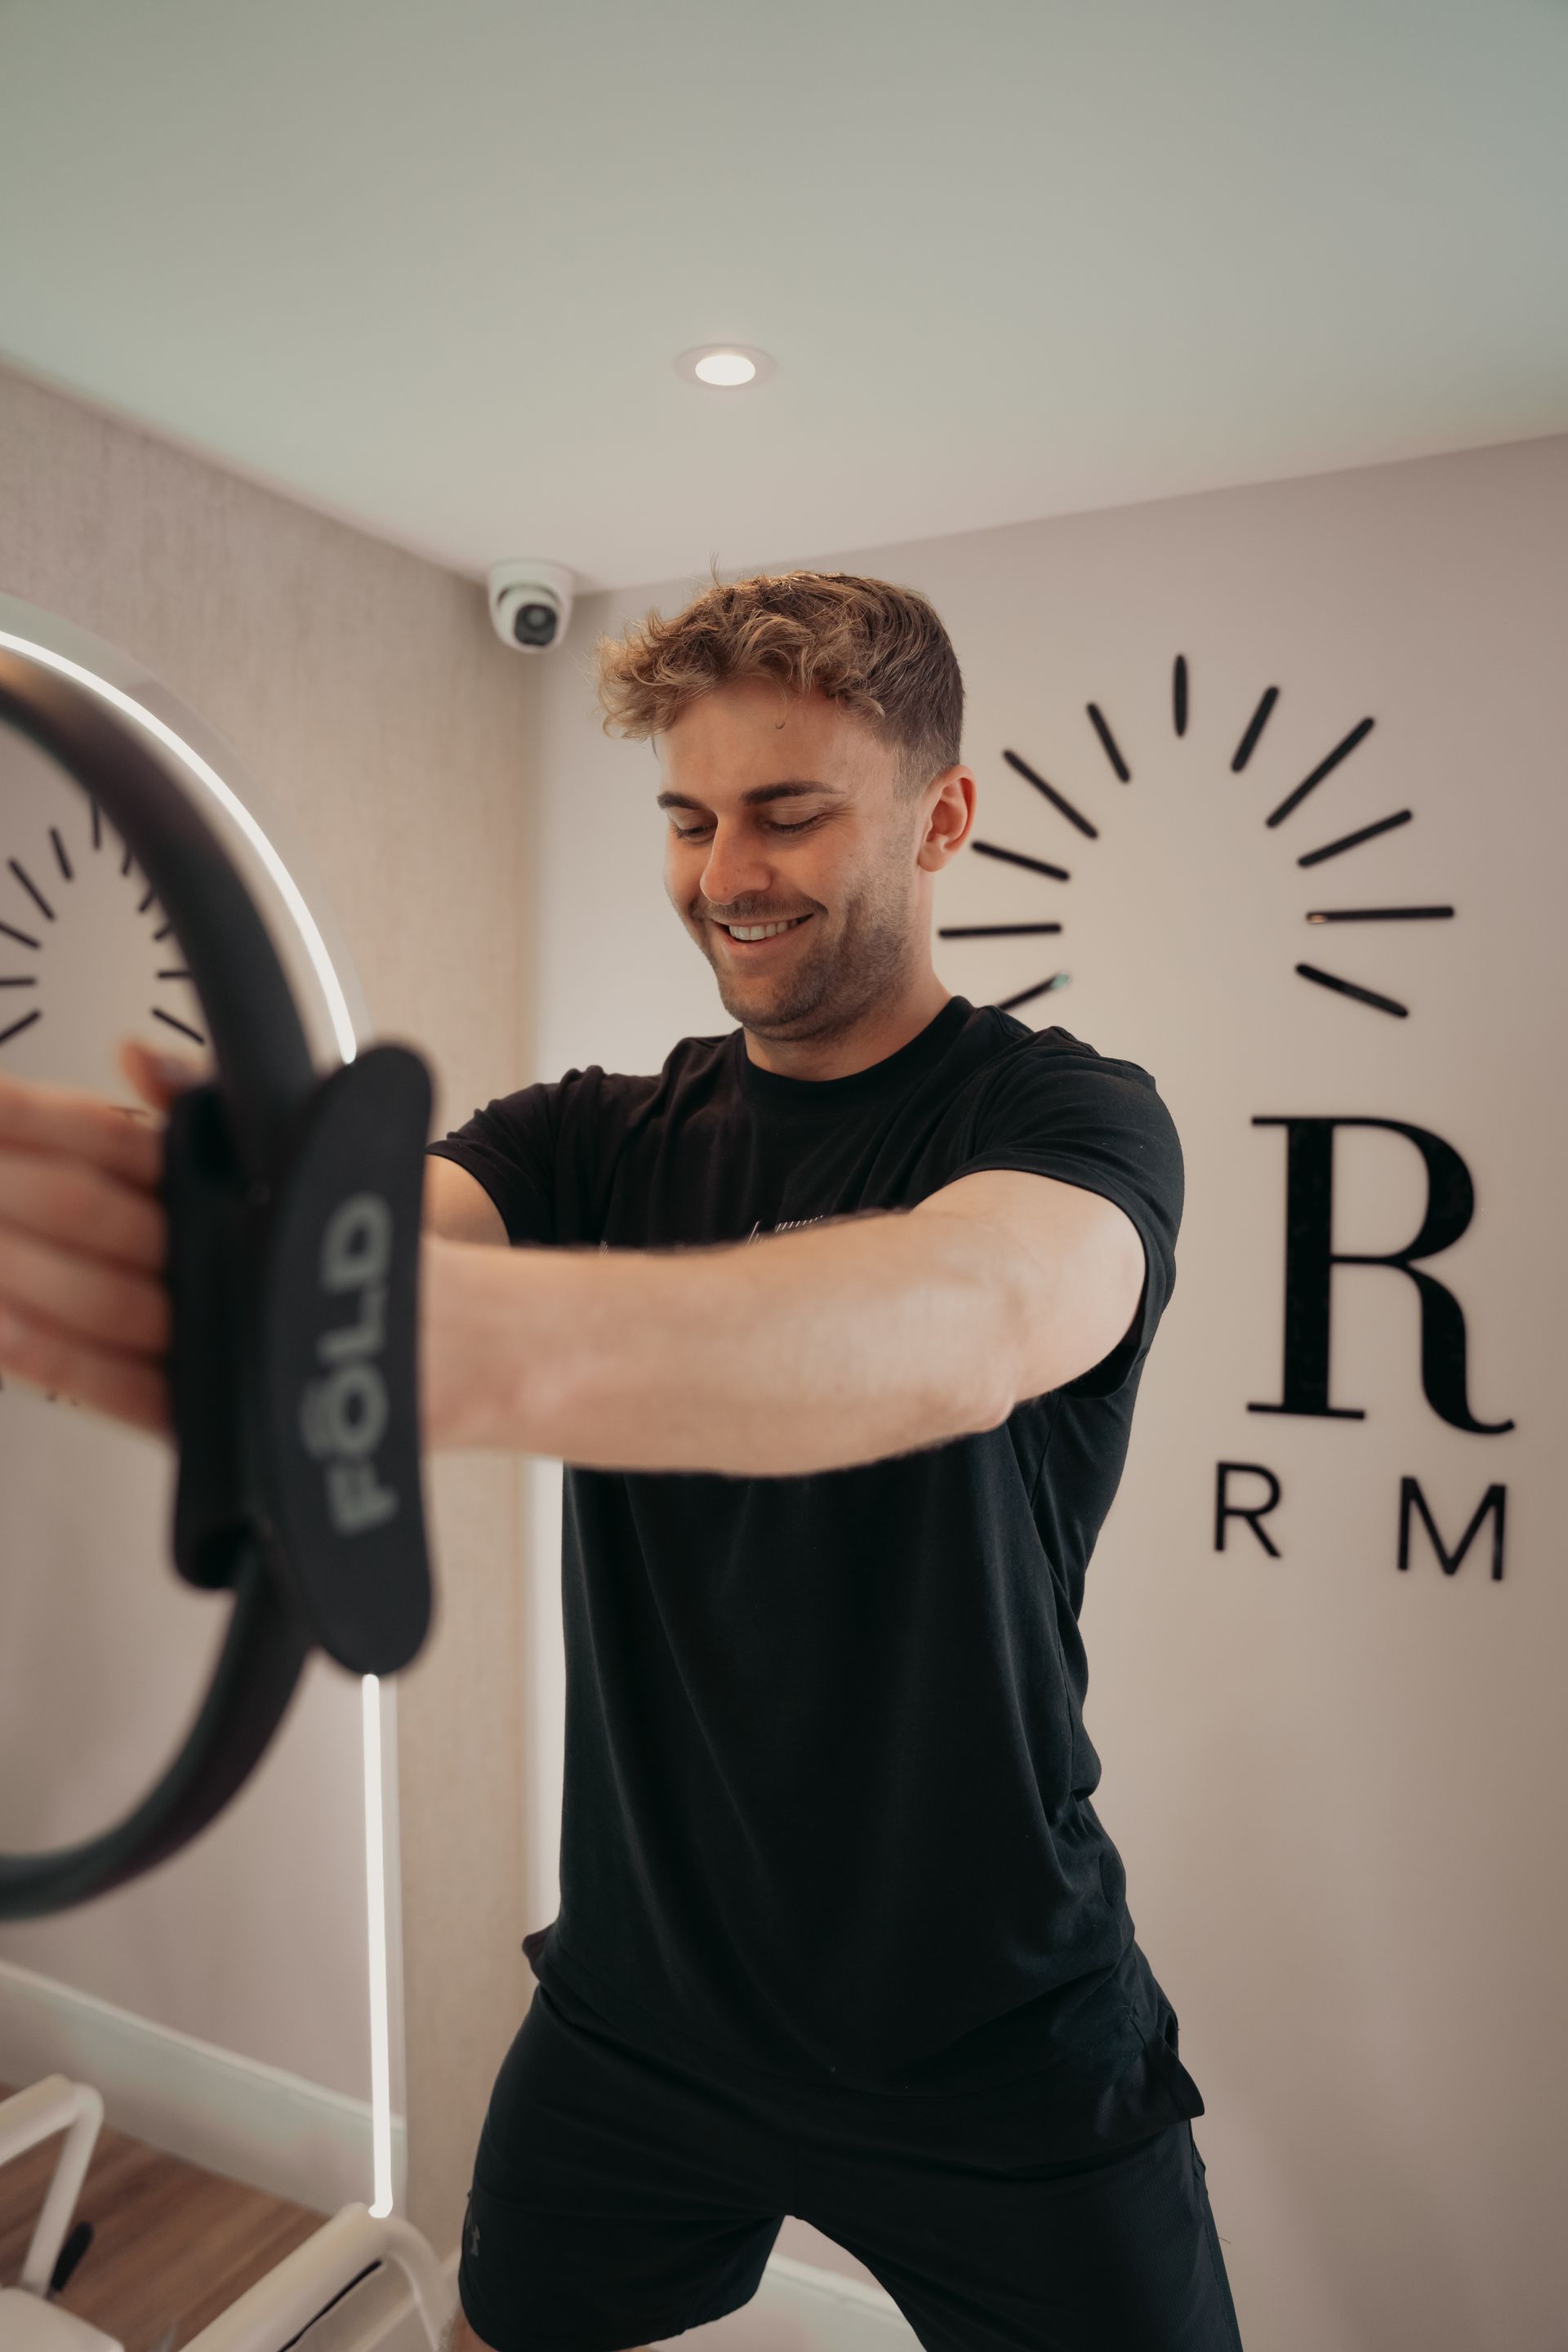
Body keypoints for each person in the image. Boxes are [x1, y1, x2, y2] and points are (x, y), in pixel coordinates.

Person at [0, 569, 1243, 2351]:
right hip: (640, 2012)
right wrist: (223, 1252)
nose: (727, 873)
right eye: (687, 818)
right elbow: (367, 1230)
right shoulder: (585, 1136)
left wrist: (410, 1344)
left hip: (994, 2029)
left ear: (943, 817)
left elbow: (965, 1323)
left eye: (789, 814)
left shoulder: (1066, 1117)